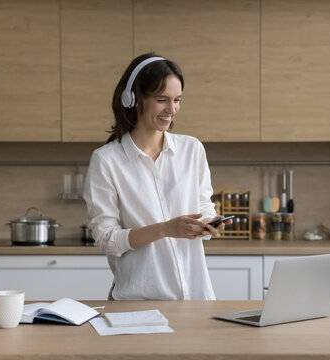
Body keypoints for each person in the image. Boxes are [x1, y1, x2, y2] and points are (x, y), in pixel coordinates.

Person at [83, 53, 231, 300]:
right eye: (162, 100)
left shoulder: (192, 149)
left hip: (197, 297)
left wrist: (207, 223)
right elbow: (107, 239)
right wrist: (164, 229)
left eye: (177, 100)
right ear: (134, 99)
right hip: (137, 301)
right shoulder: (106, 160)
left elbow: (204, 204)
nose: (171, 109)